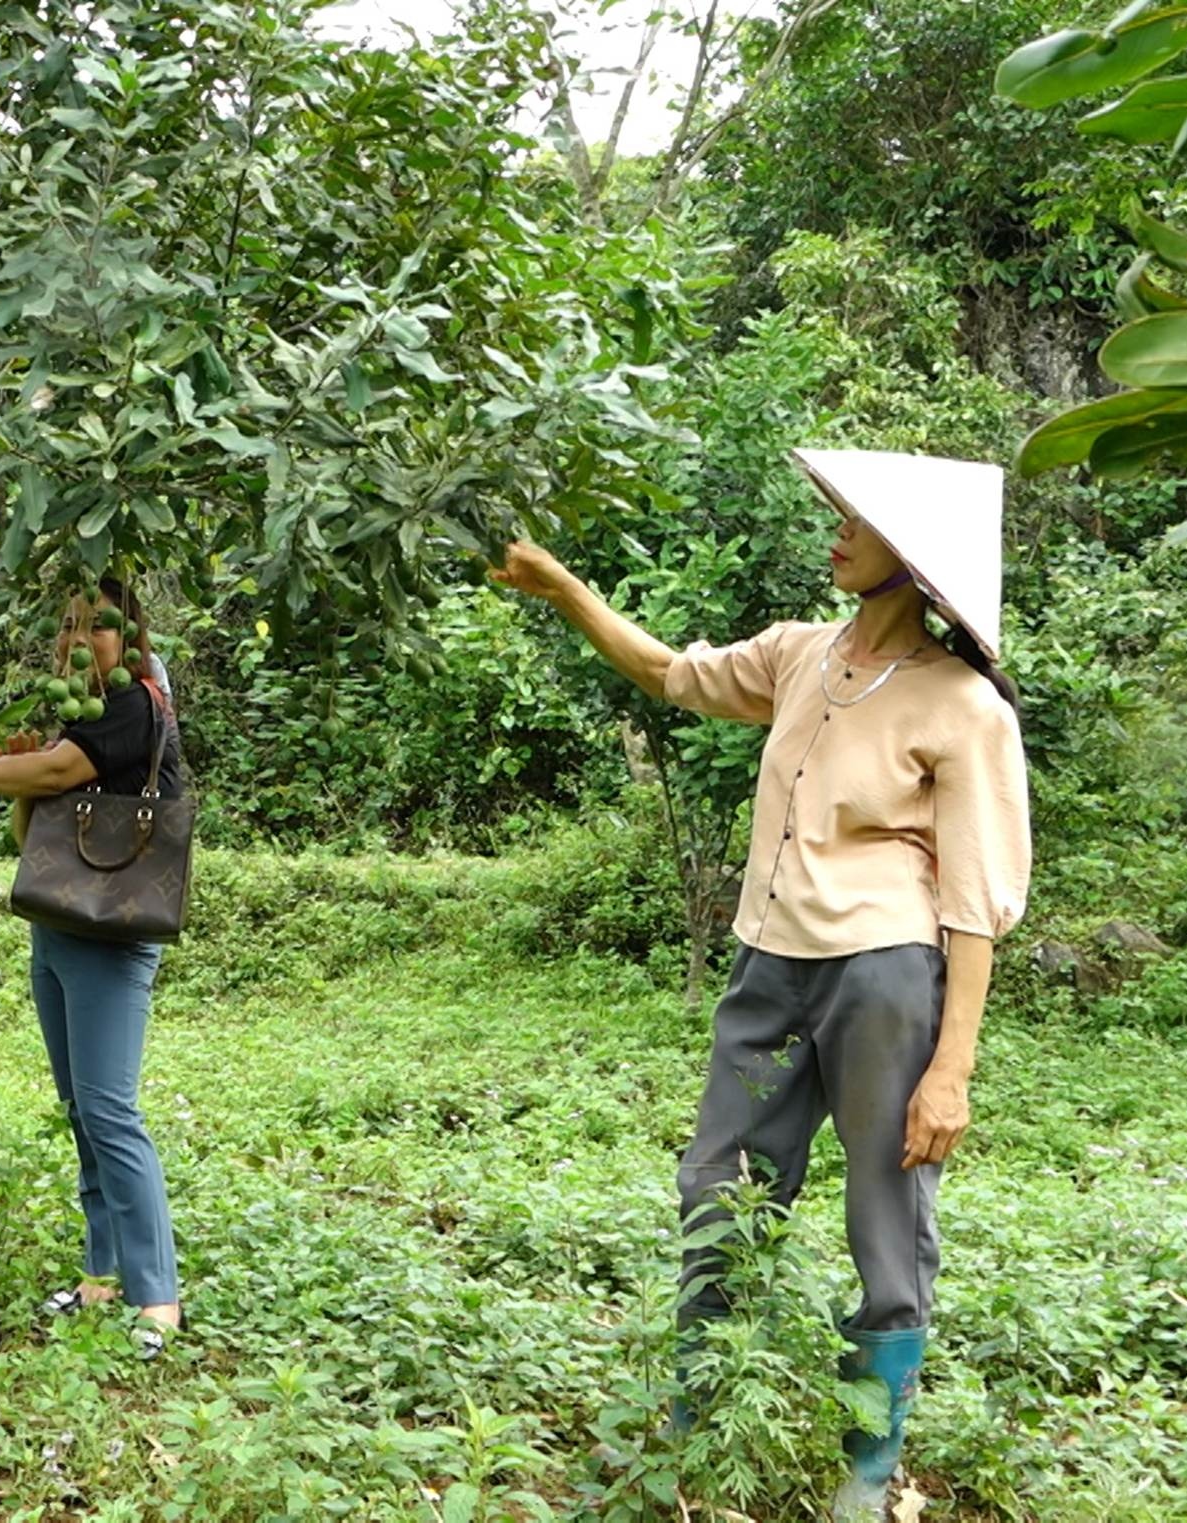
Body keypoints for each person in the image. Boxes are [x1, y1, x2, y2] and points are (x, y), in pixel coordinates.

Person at [490, 449, 1031, 1522]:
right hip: (767, 960)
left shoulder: (963, 706)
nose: (833, 531)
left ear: (912, 562)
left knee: (885, 1204)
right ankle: (696, 1416)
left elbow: (974, 899)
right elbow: (670, 673)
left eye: (855, 522)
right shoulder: (798, 653)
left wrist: (950, 1069)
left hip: (883, 974)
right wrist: (565, 592)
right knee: (720, 1180)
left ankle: (867, 1466)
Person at [0, 573, 187, 1359]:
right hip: (58, 926)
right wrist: (19, 771)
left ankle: (158, 1300)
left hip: (111, 936)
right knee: (81, 1109)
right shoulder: (81, 711)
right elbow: (37, 831)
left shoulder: (132, 705)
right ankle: (100, 1278)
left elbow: (55, 776)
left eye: (97, 625)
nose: (78, 639)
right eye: (68, 625)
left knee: (111, 1112)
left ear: (132, 635)